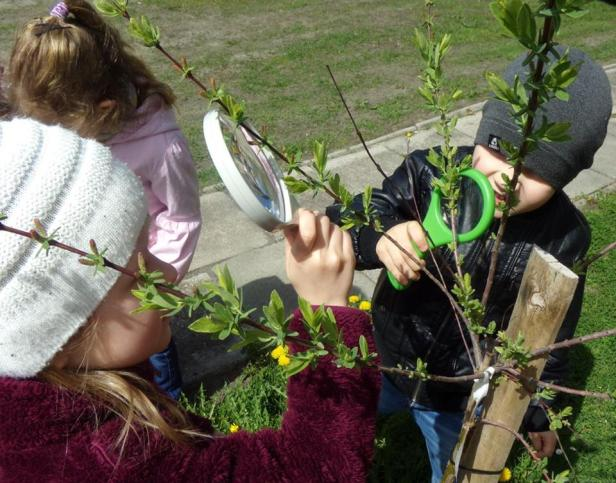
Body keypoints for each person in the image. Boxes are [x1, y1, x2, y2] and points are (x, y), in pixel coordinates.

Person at [0, 117, 379, 481]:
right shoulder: (117, 462)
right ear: (57, 337)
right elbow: (314, 469)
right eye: (139, 277)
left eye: (148, 247)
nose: (168, 272)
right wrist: (325, 315)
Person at [327, 46, 613, 482]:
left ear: (567, 174)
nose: (504, 178)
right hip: (386, 356)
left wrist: (541, 408)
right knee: (339, 428)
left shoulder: (566, 237)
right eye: (497, 148)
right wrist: (379, 237)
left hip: (456, 391)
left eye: (533, 169)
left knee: (452, 470)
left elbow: (551, 338)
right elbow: (343, 222)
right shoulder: (430, 174)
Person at [7, 0, 202, 399]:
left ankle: (173, 410)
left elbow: (180, 217)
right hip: (77, 287)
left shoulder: (160, 146)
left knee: (155, 365)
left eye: (61, 128)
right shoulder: (51, 104)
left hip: (132, 289)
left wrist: (156, 279)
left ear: (105, 109)